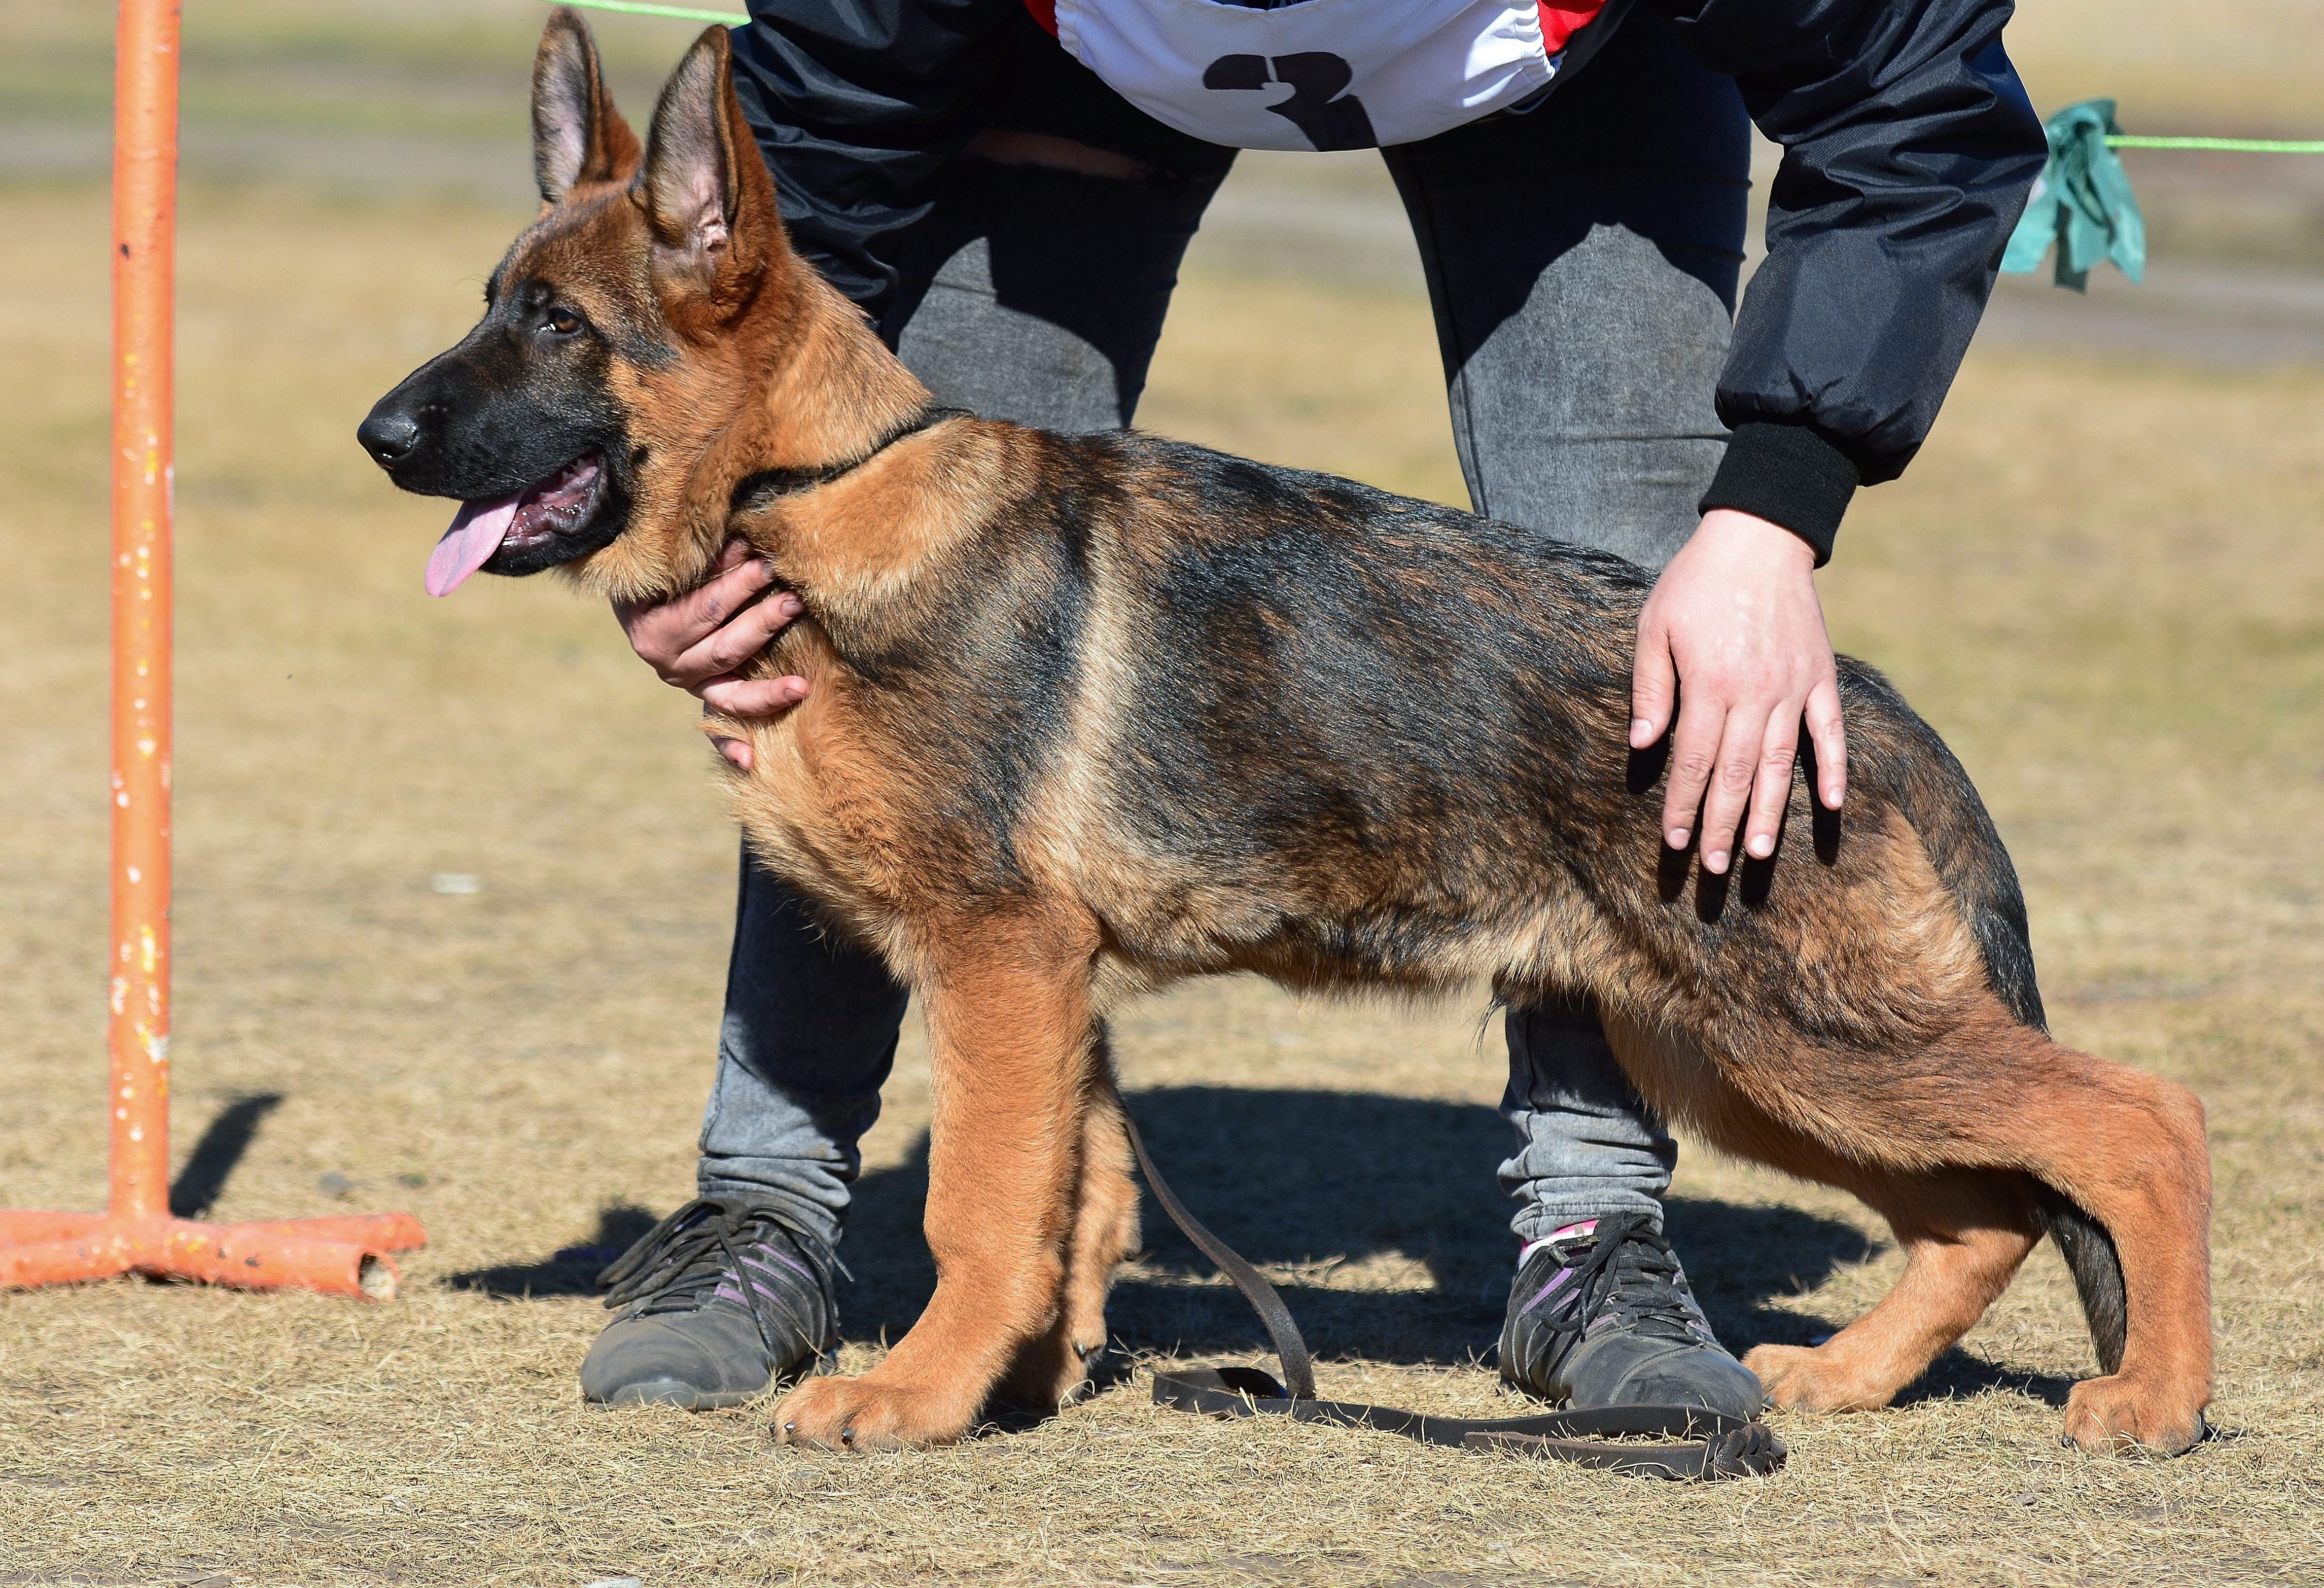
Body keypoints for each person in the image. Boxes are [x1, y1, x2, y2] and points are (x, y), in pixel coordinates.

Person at [576, 0, 2046, 1417]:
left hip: (1560, 67)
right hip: (1053, 69)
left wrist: (1775, 512)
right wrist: (725, 499)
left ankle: (1594, 1245)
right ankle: (765, 1209)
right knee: (874, 641)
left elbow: (1912, 92)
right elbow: (796, 178)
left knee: (1637, 643)